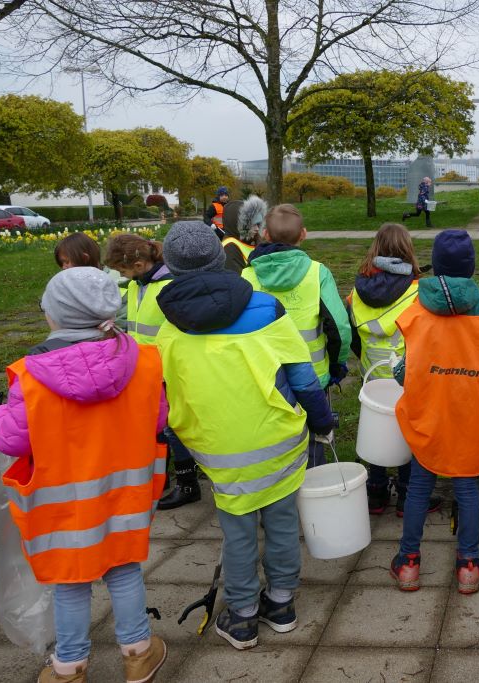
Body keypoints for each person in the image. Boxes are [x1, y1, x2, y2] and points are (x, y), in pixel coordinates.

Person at [154, 221, 334, 651]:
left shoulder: (167, 327)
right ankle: (282, 604)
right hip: (279, 440)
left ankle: (242, 617)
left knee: (237, 532)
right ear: (222, 258)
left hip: (218, 449)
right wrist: (323, 420)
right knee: (283, 521)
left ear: (170, 268)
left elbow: (163, 395)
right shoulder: (267, 308)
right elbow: (304, 378)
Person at [0, 267, 169, 683]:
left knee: (71, 582)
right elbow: (158, 418)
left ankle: (68, 667)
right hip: (125, 497)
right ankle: (139, 652)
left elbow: (11, 441)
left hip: (61, 509)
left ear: (55, 316)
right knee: (124, 569)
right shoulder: (143, 360)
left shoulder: (31, 378)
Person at [389, 230, 479, 595]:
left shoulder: (417, 309)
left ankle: (409, 564)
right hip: (470, 414)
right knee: (467, 487)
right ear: (472, 268)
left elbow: (404, 370)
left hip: (429, 414)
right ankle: (468, 566)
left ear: (437, 264)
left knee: (418, 487)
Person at [241, 204, 352, 468]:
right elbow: (339, 326)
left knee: (275, 436)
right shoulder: (317, 273)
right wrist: (337, 364)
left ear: (265, 234)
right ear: (303, 234)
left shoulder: (247, 275)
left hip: (265, 375)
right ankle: (316, 489)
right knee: (317, 434)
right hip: (314, 376)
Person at [346, 223, 440, 516]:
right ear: (407, 250)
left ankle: (375, 493)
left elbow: (351, 331)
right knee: (409, 433)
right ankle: (407, 495)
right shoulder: (417, 291)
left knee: (376, 430)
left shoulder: (357, 291)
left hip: (372, 373)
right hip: (406, 374)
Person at [104, 233, 202, 511]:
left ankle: (188, 484)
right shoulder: (138, 285)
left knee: (174, 428)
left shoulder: (168, 286)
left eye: (122, 270)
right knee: (162, 427)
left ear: (138, 265)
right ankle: (169, 478)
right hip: (146, 369)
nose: (121, 276)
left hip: (168, 369)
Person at [55, 232, 129, 325]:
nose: (64, 267)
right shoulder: (74, 283)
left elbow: (124, 320)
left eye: (66, 262)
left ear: (84, 258)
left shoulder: (115, 281)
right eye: (61, 264)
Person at [219, 195, 266, 274]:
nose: (257, 229)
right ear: (240, 224)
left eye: (258, 224)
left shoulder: (252, 240)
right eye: (252, 224)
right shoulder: (229, 248)